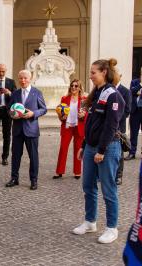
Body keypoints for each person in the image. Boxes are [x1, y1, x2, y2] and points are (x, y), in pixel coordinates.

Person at [72, 58, 124, 244]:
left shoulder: (113, 95)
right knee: (88, 186)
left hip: (107, 148)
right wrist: (83, 146)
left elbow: (111, 125)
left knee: (108, 190)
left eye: (93, 72)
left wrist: (101, 150)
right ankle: (90, 222)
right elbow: (92, 124)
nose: (90, 75)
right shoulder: (97, 93)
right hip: (91, 147)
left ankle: (112, 228)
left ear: (104, 72)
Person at [5, 70, 47, 190]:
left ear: (30, 79)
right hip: (18, 129)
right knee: (15, 156)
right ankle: (14, 178)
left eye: (25, 78)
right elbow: (9, 109)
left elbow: (43, 109)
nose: (23, 80)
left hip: (31, 129)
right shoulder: (15, 94)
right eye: (21, 78)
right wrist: (13, 114)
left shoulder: (37, 93)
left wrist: (33, 113)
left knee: (33, 156)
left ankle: (34, 180)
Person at [53, 79, 87, 180]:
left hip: (79, 127)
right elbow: (60, 114)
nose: (73, 88)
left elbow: (87, 114)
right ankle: (59, 171)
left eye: (76, 86)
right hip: (67, 126)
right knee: (63, 148)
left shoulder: (84, 99)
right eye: (72, 85)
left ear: (80, 88)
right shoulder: (64, 98)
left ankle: (77, 172)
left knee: (78, 149)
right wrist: (61, 117)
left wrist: (83, 115)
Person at [115, 76, 131, 185]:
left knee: (119, 153)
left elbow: (127, 111)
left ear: (119, 77)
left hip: (119, 127)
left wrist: (114, 118)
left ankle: (119, 176)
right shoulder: (106, 90)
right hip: (107, 127)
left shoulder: (125, 91)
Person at [125, 73, 142, 161]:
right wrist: (140, 85)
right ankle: (132, 152)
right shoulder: (134, 82)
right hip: (135, 111)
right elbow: (131, 92)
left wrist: (138, 93)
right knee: (133, 133)